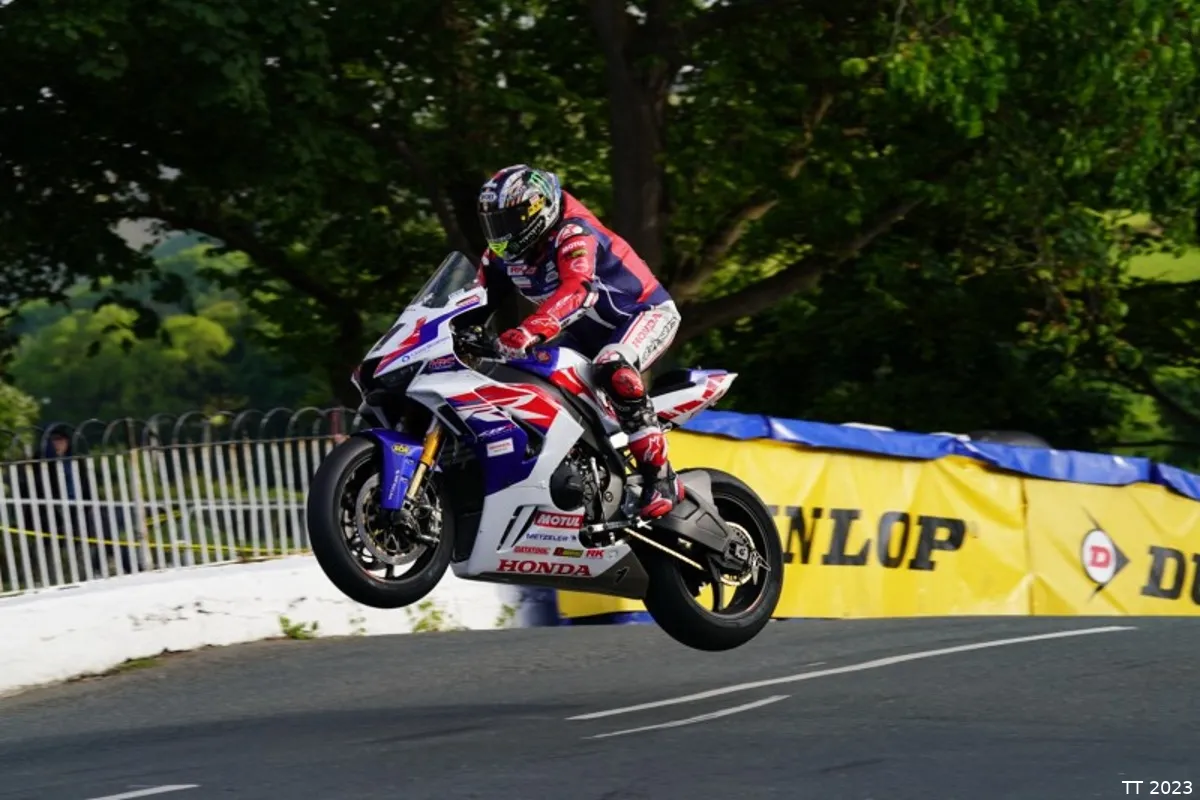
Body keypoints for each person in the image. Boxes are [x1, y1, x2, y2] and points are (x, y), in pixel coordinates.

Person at [471, 164, 684, 518]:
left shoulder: (574, 232)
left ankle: (661, 477)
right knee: (526, 374)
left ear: (537, 210)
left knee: (613, 367)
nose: (501, 233)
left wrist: (528, 330)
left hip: (644, 314)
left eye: (509, 221)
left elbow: (579, 290)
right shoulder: (501, 255)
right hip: (585, 333)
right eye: (494, 224)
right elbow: (473, 301)